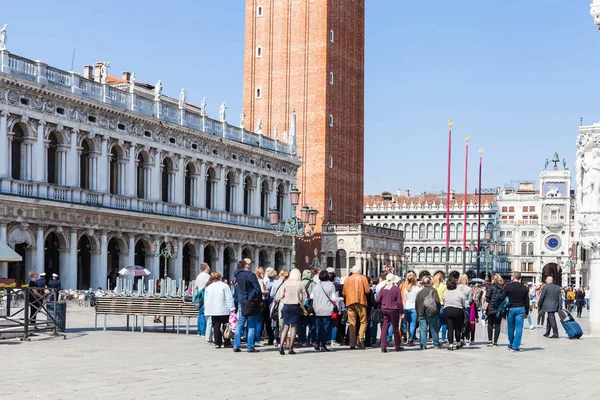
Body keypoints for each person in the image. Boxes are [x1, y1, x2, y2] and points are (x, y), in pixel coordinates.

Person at [233, 258, 262, 353]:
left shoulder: (236, 274)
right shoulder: (251, 275)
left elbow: (238, 269)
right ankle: (250, 346)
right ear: (245, 265)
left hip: (242, 301)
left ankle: (236, 345)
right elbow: (257, 289)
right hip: (250, 302)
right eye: (248, 264)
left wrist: (242, 262)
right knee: (252, 324)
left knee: (240, 323)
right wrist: (258, 299)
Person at [276, 268, 307, 355]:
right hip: (295, 306)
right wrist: (303, 308)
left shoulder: (285, 283)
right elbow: (303, 298)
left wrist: (278, 299)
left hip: (286, 306)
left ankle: (281, 345)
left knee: (285, 327)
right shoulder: (300, 284)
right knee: (293, 327)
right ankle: (290, 348)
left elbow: (281, 296)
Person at [497, 272, 530, 351]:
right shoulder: (524, 287)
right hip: (521, 308)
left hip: (511, 309)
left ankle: (511, 344)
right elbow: (527, 301)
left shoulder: (508, 287)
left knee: (511, 328)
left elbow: (502, 297)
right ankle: (515, 346)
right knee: (519, 328)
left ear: (514, 277)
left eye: (511, 275)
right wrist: (527, 312)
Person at [204, 272, 235, 349]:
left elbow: (206, 300)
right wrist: (232, 308)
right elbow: (229, 298)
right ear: (220, 277)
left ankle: (217, 343)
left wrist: (207, 310)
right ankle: (227, 342)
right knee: (226, 326)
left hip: (213, 310)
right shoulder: (224, 286)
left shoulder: (209, 287)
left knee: (216, 327)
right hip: (223, 309)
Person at [342, 265, 371, 349]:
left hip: (350, 302)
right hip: (361, 301)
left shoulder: (347, 279)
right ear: (359, 271)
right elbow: (367, 290)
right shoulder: (363, 278)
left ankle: (352, 343)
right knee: (363, 321)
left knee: (352, 323)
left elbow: (343, 293)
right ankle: (360, 340)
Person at [376, 273, 404, 352]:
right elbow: (399, 302)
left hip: (384, 309)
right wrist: (402, 311)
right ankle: (397, 346)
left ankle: (383, 346)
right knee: (395, 328)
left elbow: (377, 300)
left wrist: (383, 302)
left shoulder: (382, 289)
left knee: (384, 328)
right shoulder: (396, 289)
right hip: (394, 309)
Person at [311, 270, 338, 352]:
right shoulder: (331, 285)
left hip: (317, 308)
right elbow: (333, 298)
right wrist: (339, 299)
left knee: (319, 327)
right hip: (327, 309)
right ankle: (323, 344)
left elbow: (312, 296)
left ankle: (317, 343)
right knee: (326, 328)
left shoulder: (316, 285)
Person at [415, 276, 441, 350]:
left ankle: (423, 345)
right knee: (433, 328)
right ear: (430, 283)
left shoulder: (420, 292)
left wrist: (418, 314)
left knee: (423, 329)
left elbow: (416, 303)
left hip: (421, 313)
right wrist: (438, 310)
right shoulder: (433, 291)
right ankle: (436, 344)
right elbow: (437, 302)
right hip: (432, 312)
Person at [442, 278, 465, 351]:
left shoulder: (445, 293)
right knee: (458, 328)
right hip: (458, 310)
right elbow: (463, 302)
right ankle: (458, 343)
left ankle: (451, 344)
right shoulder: (459, 292)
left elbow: (444, 300)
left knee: (450, 328)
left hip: (448, 310)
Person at [485, 274, 505, 346]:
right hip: (499, 308)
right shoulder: (503, 288)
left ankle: (490, 340)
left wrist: (485, 309)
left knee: (490, 324)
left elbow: (487, 299)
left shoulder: (491, 287)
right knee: (497, 324)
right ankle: (495, 342)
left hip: (491, 308)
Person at [270, 269, 289, 345]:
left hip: (277, 303)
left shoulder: (276, 282)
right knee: (286, 322)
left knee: (277, 321)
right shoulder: (288, 282)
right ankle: (285, 339)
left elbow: (272, 294)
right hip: (287, 302)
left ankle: (276, 338)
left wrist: (276, 298)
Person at [403, 273, 422, 346]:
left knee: (408, 324)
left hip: (407, 307)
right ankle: (410, 339)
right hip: (414, 307)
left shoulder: (406, 289)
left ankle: (408, 338)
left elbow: (405, 299)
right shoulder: (417, 289)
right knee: (413, 324)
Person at [300, 269, 317, 346]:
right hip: (311, 306)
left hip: (302, 306)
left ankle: (303, 340)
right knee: (312, 324)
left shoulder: (300, 283)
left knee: (303, 324)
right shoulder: (314, 284)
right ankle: (313, 340)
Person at [254, 267, 269, 347]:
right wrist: (269, 291)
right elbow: (263, 291)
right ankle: (257, 339)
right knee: (259, 321)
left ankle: (254, 338)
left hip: (255, 302)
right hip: (262, 301)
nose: (264, 274)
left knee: (255, 321)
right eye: (263, 273)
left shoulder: (255, 281)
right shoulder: (261, 281)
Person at [457, 274, 474, 345]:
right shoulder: (469, 289)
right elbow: (470, 300)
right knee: (466, 322)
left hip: (458, 306)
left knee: (458, 323)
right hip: (466, 307)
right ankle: (467, 338)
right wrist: (465, 303)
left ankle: (460, 338)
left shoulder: (456, 287)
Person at [195, 263, 211, 337]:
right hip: (205, 296)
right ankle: (203, 331)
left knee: (200, 314)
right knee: (205, 314)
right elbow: (207, 286)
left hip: (199, 296)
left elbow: (195, 286)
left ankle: (199, 331)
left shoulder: (198, 276)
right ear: (207, 268)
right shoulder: (207, 276)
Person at [433, 272, 448, 343]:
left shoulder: (433, 286)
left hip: (435, 306)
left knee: (437, 322)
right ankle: (443, 338)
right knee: (444, 322)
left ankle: (435, 337)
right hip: (442, 305)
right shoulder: (444, 286)